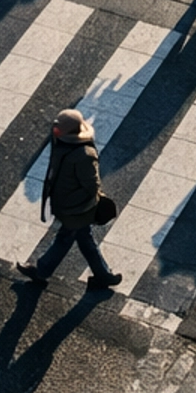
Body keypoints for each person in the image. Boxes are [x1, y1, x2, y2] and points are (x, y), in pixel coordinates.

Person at [15, 109, 121, 292]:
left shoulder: (84, 155)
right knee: (83, 238)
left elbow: (92, 183)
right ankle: (103, 275)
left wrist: (93, 200)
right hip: (68, 204)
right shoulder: (63, 143)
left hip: (76, 207)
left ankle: (42, 271)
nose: (55, 130)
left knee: (65, 238)